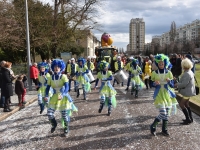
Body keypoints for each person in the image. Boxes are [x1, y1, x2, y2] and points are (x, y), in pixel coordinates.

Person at [44, 59, 77, 135]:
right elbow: (47, 88)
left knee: (64, 115)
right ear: (53, 67)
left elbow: (67, 87)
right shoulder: (50, 78)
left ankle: (66, 128)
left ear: (61, 68)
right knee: (49, 113)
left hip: (63, 97)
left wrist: (63, 94)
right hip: (54, 97)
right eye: (55, 66)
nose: (56, 68)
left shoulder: (63, 76)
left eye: (58, 67)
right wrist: (46, 95)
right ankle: (54, 124)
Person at [150, 54, 177, 136]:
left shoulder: (169, 73)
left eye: (162, 64)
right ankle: (153, 126)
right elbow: (151, 84)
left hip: (167, 94)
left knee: (167, 113)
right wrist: (154, 83)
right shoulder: (154, 73)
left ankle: (164, 129)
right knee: (163, 113)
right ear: (157, 64)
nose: (161, 65)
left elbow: (172, 85)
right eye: (159, 64)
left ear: (165, 63)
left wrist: (169, 81)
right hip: (159, 94)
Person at [175, 58, 196, 125]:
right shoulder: (190, 71)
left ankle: (188, 119)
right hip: (189, 91)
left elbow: (184, 84)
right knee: (186, 104)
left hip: (187, 92)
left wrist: (177, 84)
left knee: (181, 104)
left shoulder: (187, 73)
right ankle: (190, 118)